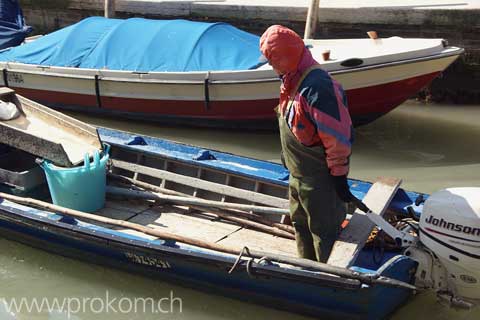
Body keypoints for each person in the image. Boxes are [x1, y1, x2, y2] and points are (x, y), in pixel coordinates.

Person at [260, 25, 367, 262]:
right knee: (300, 224)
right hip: (297, 175)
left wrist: (339, 175)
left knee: (324, 231)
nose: (270, 65)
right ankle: (306, 269)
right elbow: (293, 122)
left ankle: (329, 278)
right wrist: (285, 157)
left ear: (288, 56)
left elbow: (338, 136)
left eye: (273, 59)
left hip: (320, 179)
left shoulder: (319, 87)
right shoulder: (289, 80)